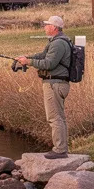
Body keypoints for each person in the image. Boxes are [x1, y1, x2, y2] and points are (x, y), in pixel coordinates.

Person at [15, 15, 72, 159]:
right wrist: (25, 58)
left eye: (47, 25)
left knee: (54, 118)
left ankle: (59, 150)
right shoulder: (56, 42)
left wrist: (29, 62)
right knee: (59, 117)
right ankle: (62, 148)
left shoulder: (58, 43)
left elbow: (49, 64)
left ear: (54, 27)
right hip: (57, 83)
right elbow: (42, 55)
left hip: (55, 84)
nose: (45, 27)